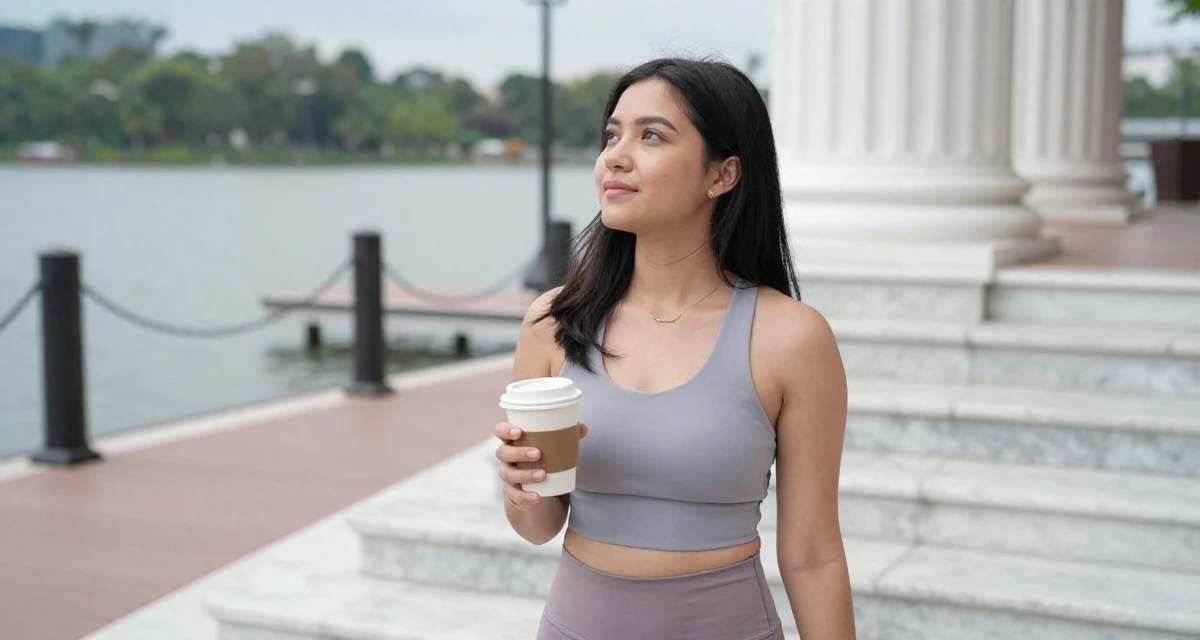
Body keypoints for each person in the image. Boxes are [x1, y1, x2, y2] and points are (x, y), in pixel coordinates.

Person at [493, 57, 855, 639]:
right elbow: (539, 527)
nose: (615, 154)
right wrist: (521, 490)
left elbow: (813, 556)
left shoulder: (791, 338)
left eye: (651, 135)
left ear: (723, 175)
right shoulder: (554, 322)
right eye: (612, 135)